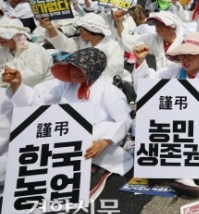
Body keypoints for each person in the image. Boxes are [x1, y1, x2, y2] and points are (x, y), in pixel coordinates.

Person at [131, 32, 199, 197]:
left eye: (191, 56)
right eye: (182, 56)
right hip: (184, 127)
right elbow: (147, 84)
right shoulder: (175, 71)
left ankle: (185, 177)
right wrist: (140, 61)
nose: (185, 60)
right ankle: (177, 175)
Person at [4, 47, 134, 178]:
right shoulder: (66, 85)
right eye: (71, 67)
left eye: (80, 69)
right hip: (67, 132)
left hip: (98, 136)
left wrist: (104, 142)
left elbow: (123, 119)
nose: (74, 72)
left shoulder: (110, 91)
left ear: (93, 70)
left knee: (81, 144)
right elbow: (36, 101)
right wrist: (17, 85)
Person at [40, 13, 125, 82]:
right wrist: (50, 28)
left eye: (82, 30)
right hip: (84, 82)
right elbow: (64, 43)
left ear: (93, 30)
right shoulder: (81, 42)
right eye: (79, 29)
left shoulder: (113, 46)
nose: (80, 32)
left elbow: (111, 73)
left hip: (107, 85)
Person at [0, 18, 52, 86]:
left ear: (17, 35)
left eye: (4, 36)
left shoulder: (34, 49)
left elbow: (37, 73)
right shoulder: (3, 51)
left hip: (41, 88)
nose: (0, 38)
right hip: (13, 88)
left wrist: (10, 75)